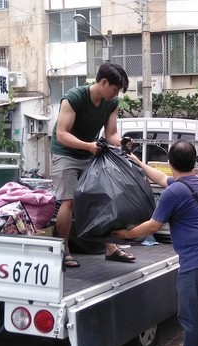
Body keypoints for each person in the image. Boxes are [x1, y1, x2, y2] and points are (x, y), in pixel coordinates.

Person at [113, 140, 198, 346]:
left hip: (197, 263)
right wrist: (138, 162)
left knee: (189, 317)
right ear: (193, 162)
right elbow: (161, 179)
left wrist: (124, 234)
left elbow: (154, 225)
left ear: (170, 163)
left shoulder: (174, 192)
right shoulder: (194, 182)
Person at [51, 62, 136, 267]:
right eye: (114, 89)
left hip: (90, 153)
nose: (115, 95)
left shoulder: (111, 104)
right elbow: (61, 134)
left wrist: (122, 142)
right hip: (65, 154)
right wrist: (88, 146)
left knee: (104, 199)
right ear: (103, 82)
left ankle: (110, 248)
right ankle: (63, 251)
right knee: (68, 201)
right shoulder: (74, 97)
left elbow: (111, 135)